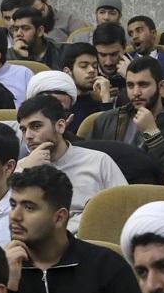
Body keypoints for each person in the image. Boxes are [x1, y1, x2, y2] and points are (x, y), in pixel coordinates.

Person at [5, 165, 143, 293]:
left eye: (29, 207)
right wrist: (8, 286)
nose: (15, 216)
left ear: (60, 217)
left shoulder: (106, 265)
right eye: (13, 204)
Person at [15, 94, 126, 233]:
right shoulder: (20, 168)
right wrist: (25, 172)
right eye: (23, 129)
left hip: (89, 239)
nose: (28, 136)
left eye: (36, 126)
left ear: (60, 126)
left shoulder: (98, 162)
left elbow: (125, 208)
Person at [87, 56, 164, 176]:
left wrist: (152, 134)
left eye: (143, 85)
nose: (136, 93)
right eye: (130, 85)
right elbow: (87, 164)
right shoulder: (106, 120)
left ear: (161, 87)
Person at [60, 43, 113, 122]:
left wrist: (106, 100)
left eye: (95, 66)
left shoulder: (99, 102)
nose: (92, 70)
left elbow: (109, 128)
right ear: (67, 72)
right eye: (84, 66)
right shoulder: (62, 104)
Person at [17, 0, 88, 44]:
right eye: (32, 15)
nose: (38, 17)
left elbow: (83, 43)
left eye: (40, 11)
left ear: (46, 2)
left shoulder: (68, 19)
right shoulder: (22, 27)